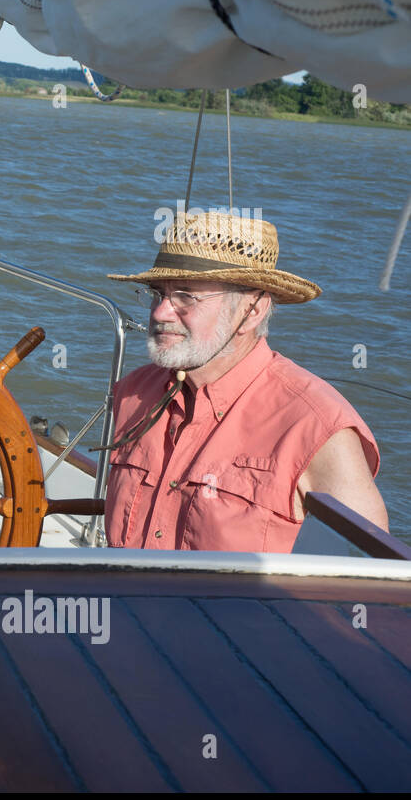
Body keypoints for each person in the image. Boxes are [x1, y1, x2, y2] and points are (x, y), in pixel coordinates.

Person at [102, 210, 386, 552]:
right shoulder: (133, 393)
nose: (160, 312)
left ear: (252, 311)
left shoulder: (318, 428)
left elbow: (366, 576)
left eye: (186, 296)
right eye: (157, 294)